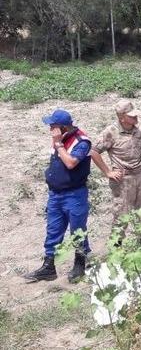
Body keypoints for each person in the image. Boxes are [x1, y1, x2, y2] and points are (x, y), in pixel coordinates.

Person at [25, 110, 92, 282]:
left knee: (77, 230)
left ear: (63, 127)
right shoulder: (59, 140)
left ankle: (80, 264)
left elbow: (70, 163)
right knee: (53, 230)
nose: (50, 130)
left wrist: (58, 144)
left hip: (74, 195)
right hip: (55, 194)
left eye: (53, 127)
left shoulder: (81, 142)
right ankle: (49, 267)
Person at [90, 99, 141, 230]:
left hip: (140, 176)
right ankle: (117, 247)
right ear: (121, 117)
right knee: (121, 215)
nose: (136, 117)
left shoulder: (139, 130)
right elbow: (94, 152)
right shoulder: (111, 132)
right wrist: (108, 172)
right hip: (123, 179)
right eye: (131, 115)